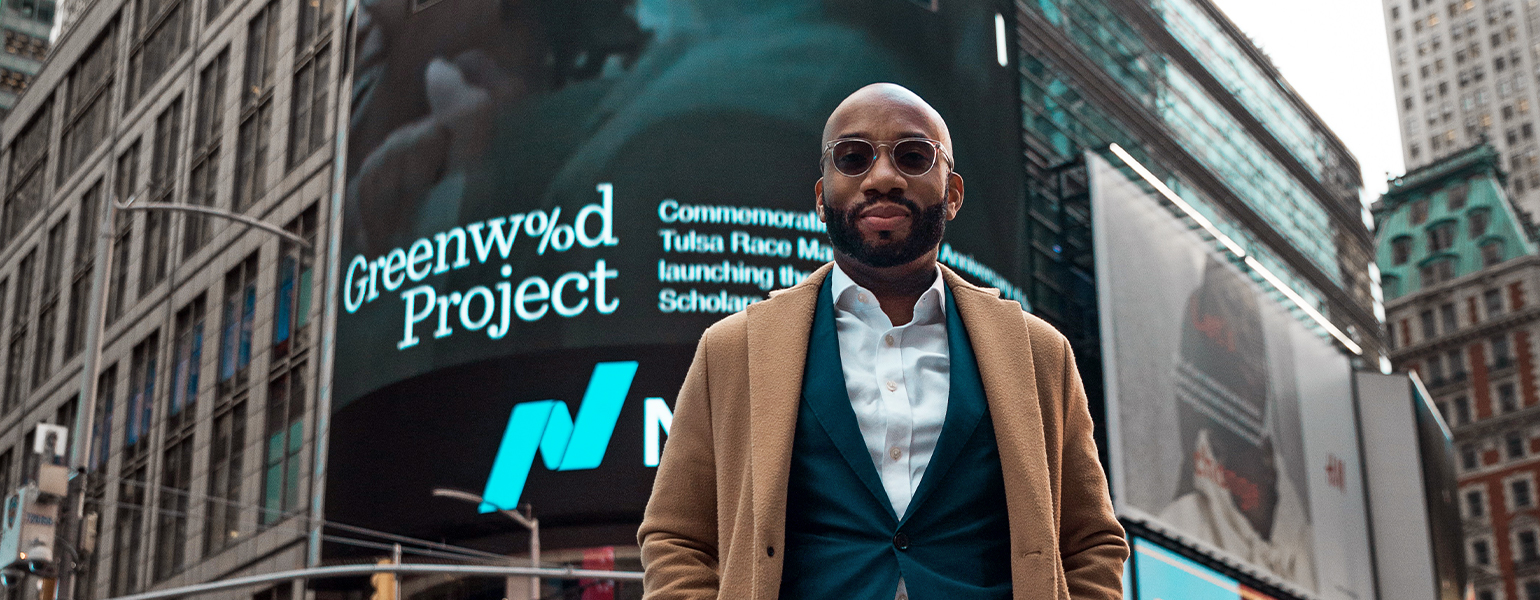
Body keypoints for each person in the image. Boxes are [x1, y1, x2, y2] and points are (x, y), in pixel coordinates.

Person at [638, 83, 1128, 599]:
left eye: (913, 156)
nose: (883, 178)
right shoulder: (733, 350)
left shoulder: (1038, 353)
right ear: (822, 197)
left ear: (954, 194)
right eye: (853, 158)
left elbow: (1090, 541)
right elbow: (676, 536)